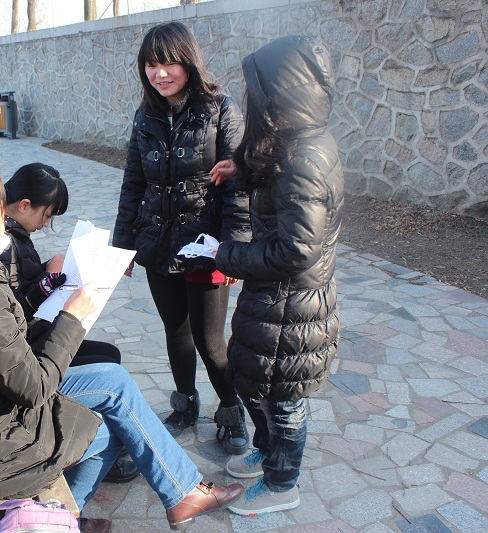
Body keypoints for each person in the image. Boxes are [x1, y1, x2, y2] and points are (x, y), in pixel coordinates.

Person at [0, 154, 244, 533]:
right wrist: (72, 318)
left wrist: (47, 294)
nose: (4, 212)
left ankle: (74, 515)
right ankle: (139, 502)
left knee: (112, 399)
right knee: (113, 403)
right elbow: (34, 389)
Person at [211, 35, 343, 516]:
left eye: (257, 91)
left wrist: (225, 254)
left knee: (283, 397)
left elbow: (295, 251)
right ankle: (267, 453)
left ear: (280, 95)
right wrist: (241, 167)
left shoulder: (305, 157)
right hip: (275, 300)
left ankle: (282, 483)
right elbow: (276, 185)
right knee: (255, 381)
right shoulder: (294, 144)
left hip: (293, 306)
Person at [112, 21, 251, 454]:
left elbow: (238, 185)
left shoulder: (221, 109)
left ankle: (231, 411)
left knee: (211, 342)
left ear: (188, 61)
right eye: (151, 64)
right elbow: (133, 183)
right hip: (157, 244)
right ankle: (185, 405)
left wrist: (233, 250)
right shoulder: (145, 116)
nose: (160, 73)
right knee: (176, 332)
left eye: (169, 62)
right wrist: (123, 246)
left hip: (206, 249)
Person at [0, 162, 137, 484]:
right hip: (29, 356)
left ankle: (103, 446)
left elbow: (20, 287)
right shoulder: (4, 245)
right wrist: (48, 282)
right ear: (24, 205)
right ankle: (102, 448)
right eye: (46, 215)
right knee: (108, 366)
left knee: (109, 355)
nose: (46, 224)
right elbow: (12, 312)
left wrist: (50, 269)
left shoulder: (13, 234)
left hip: (35, 340)